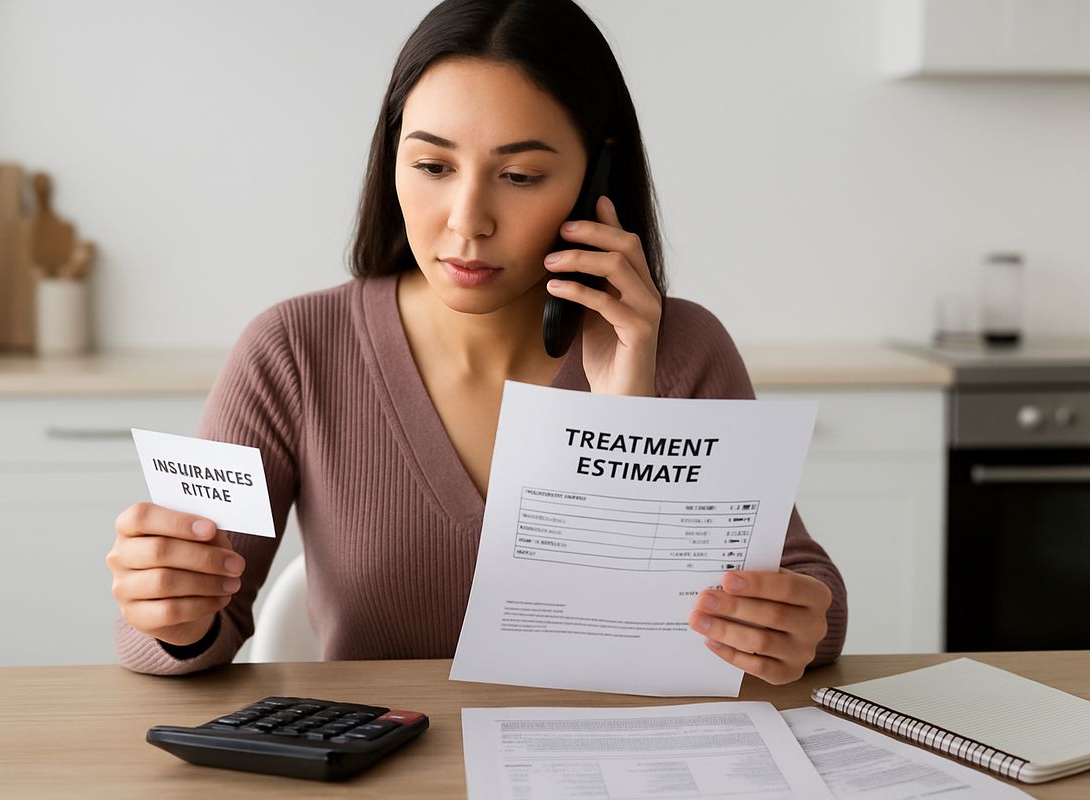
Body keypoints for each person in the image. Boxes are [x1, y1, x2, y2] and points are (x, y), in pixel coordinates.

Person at [107, 0, 847, 685]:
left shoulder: (679, 347)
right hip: (384, 763)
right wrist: (171, 611)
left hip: (618, 757)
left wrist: (628, 412)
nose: (468, 221)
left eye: (520, 175)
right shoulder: (294, 350)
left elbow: (810, 600)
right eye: (432, 166)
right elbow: (186, 631)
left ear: (597, 172)